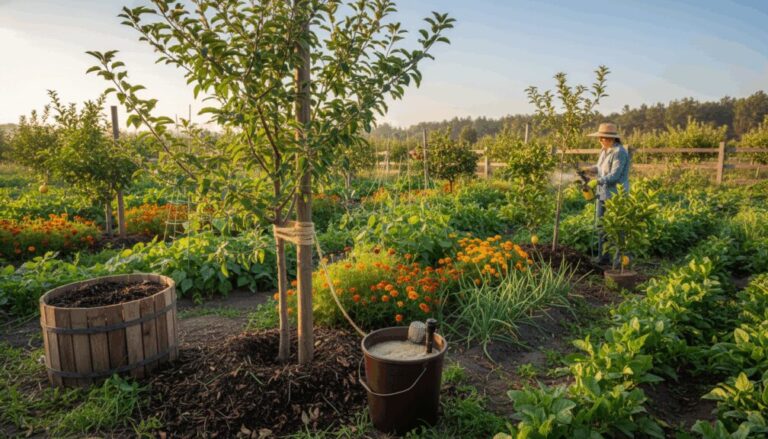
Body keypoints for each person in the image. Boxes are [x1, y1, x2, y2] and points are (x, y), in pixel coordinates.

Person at [583, 122, 631, 265]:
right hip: (602, 194)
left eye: (601, 138)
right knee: (601, 225)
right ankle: (603, 257)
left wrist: (596, 182)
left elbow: (614, 176)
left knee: (616, 227)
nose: (599, 141)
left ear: (610, 139)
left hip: (616, 196)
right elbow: (599, 168)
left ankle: (619, 260)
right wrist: (588, 170)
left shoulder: (620, 153)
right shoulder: (604, 151)